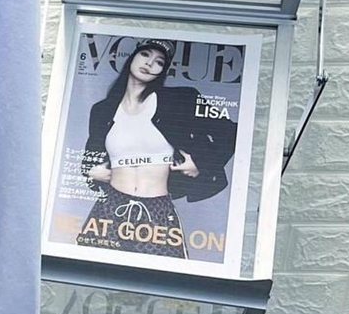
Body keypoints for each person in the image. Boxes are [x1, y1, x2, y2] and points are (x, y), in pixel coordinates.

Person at [76, 37, 236, 259]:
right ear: (132, 57)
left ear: (163, 71)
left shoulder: (180, 100)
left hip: (157, 211)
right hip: (109, 208)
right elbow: (89, 159)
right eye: (145, 54)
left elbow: (230, 132)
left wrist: (200, 163)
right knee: (92, 273)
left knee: (160, 278)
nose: (150, 64)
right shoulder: (102, 110)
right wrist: (93, 172)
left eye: (159, 62)